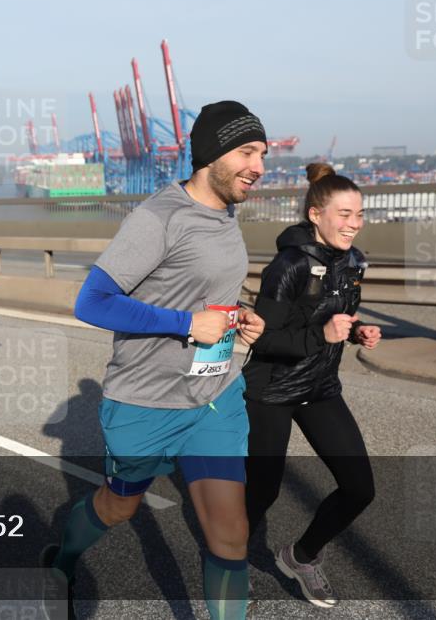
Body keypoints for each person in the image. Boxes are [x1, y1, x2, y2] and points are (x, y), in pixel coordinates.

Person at [42, 101, 268, 620]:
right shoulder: (157, 218)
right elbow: (91, 302)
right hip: (144, 402)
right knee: (120, 506)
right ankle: (65, 557)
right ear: (211, 154)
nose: (258, 165)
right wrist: (186, 324)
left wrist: (239, 317)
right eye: (247, 151)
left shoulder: (227, 212)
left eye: (262, 153)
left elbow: (205, 290)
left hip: (214, 397)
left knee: (231, 535)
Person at [242, 163, 380, 608]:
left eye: (359, 214)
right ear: (316, 214)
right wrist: (323, 335)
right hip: (273, 389)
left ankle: (299, 557)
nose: (354, 223)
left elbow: (335, 317)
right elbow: (261, 336)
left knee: (360, 488)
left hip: (319, 386)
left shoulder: (354, 262)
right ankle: (230, 559)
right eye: (344, 214)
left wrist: (358, 332)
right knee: (262, 490)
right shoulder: (289, 265)